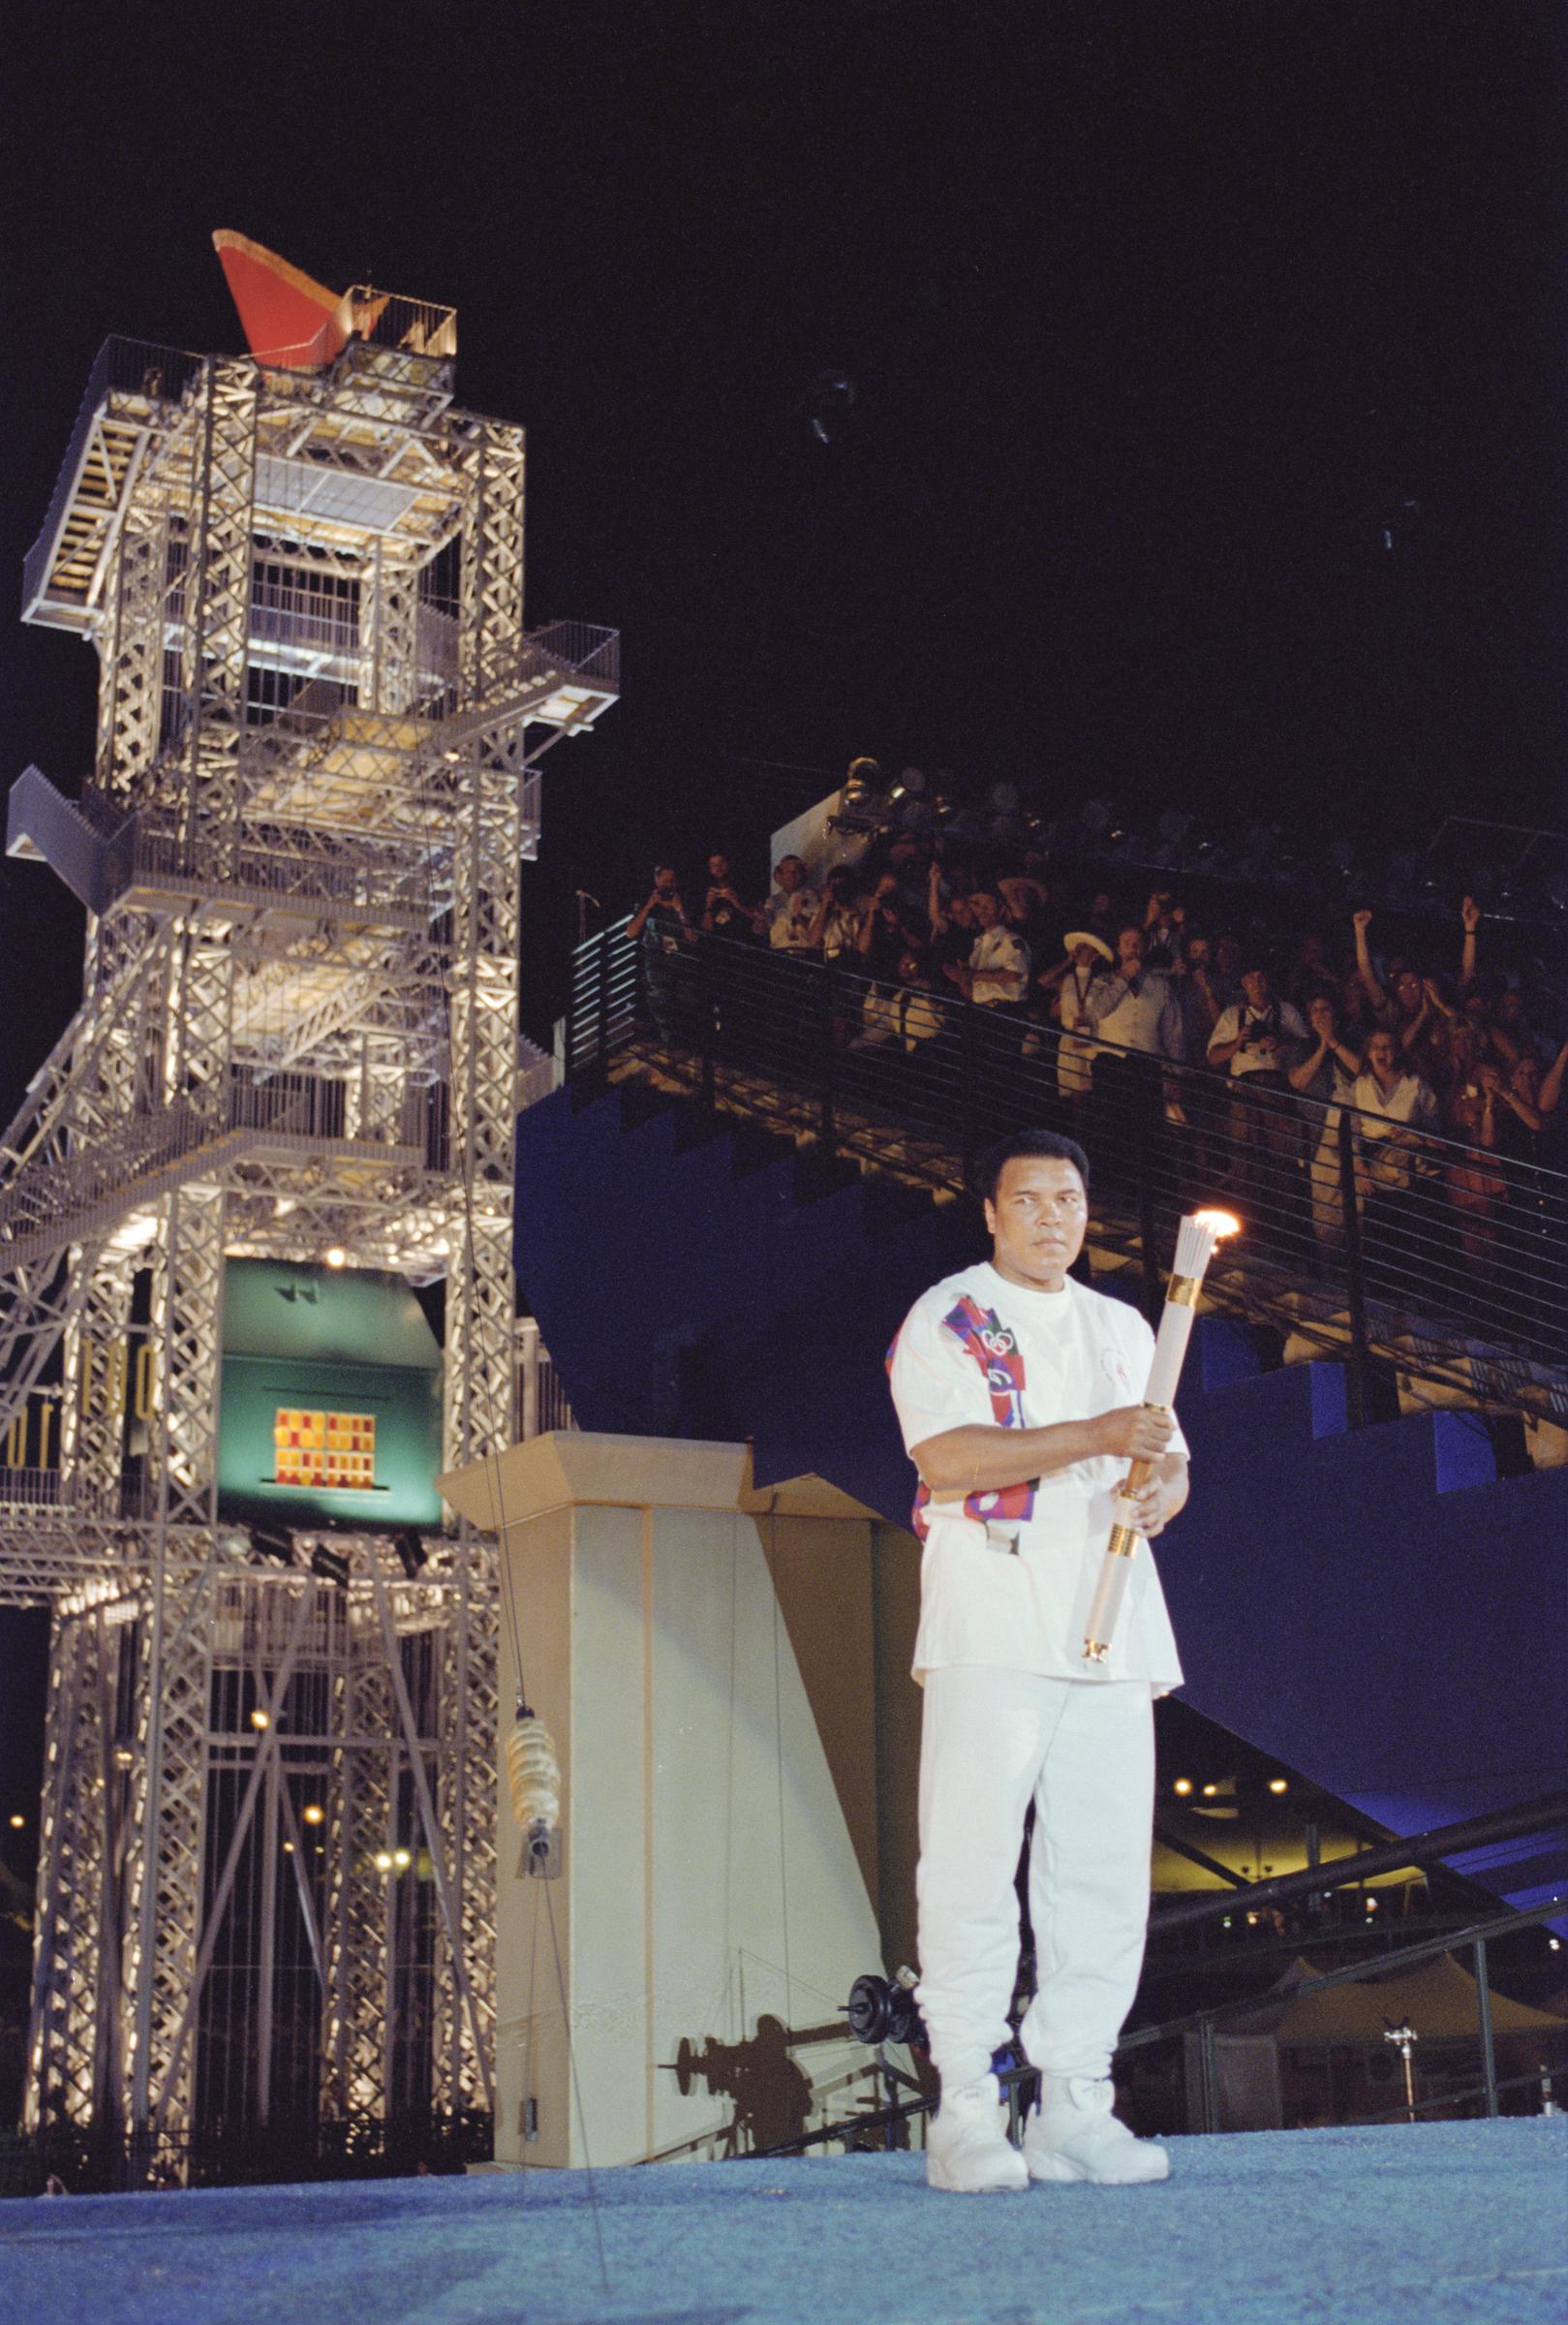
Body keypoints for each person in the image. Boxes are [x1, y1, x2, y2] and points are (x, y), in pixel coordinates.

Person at [887, 1131, 1188, 2194]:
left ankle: (1074, 2103)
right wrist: (1092, 1433)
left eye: (1068, 1198)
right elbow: (946, 1458)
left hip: (1110, 1619)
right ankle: (965, 2106)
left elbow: (1168, 1460)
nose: (1052, 1217)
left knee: (1100, 1873)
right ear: (990, 1212)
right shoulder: (949, 1316)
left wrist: (1160, 1490)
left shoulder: (1120, 1325)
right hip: (993, 1618)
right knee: (970, 1865)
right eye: (1029, 1200)